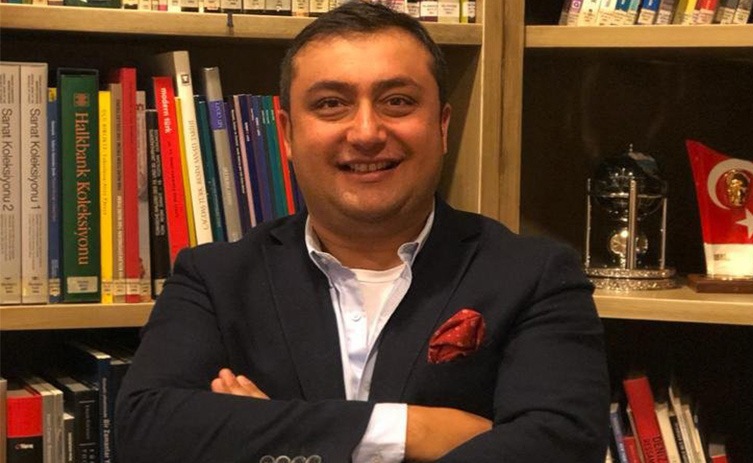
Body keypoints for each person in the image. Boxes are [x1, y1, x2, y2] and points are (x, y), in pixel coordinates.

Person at [115, 2, 609, 462]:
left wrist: (266, 430)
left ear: (442, 126)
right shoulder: (214, 278)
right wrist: (413, 429)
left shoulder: (534, 276)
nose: (367, 132)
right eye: (332, 104)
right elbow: (144, 430)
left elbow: (561, 447)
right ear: (287, 133)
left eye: (397, 101)